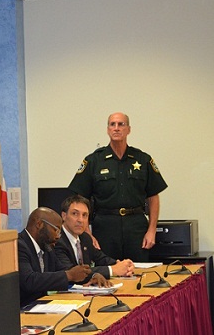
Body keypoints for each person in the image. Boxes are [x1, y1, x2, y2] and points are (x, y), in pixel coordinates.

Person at [68, 112, 168, 262]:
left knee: (139, 272)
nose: (116, 128)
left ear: (128, 129)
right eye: (112, 124)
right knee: (108, 273)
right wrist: (87, 233)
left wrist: (152, 229)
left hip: (136, 226)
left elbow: (153, 197)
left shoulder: (142, 159)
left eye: (121, 124)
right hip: (105, 227)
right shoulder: (94, 161)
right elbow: (81, 199)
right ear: (108, 129)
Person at [18, 207, 111, 307]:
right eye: (56, 230)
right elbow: (29, 280)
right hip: (20, 311)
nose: (58, 236)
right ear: (39, 224)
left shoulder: (45, 246)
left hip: (41, 306)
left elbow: (65, 270)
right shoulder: (18, 245)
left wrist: (92, 276)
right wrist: (69, 275)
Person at [55, 195, 135, 280]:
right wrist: (112, 270)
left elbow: (101, 258)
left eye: (85, 215)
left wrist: (123, 265)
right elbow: (72, 273)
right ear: (64, 216)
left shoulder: (85, 238)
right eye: (75, 214)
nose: (80, 220)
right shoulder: (56, 240)